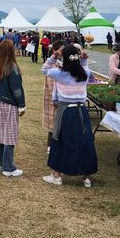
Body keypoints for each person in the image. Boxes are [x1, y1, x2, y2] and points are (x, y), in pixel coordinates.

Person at [42, 44, 97, 187]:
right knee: (84, 142)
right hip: (81, 111)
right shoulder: (85, 73)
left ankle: (57, 175)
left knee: (60, 140)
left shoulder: (59, 74)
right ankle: (86, 177)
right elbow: (84, 68)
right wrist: (84, 61)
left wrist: (53, 57)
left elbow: (45, 69)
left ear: (64, 59)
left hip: (65, 111)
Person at [0, 40, 26, 177]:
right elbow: (17, 89)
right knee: (9, 135)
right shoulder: (11, 66)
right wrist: (21, 105)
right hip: (9, 104)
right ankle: (8, 168)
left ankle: (0, 163)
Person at [42, 40, 64, 155]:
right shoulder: (52, 63)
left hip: (59, 96)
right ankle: (50, 146)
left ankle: (55, 145)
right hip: (53, 97)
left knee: (57, 122)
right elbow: (50, 81)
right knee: (53, 123)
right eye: (61, 49)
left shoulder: (59, 62)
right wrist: (54, 98)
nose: (62, 52)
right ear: (55, 50)